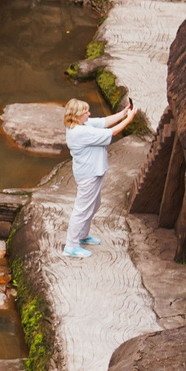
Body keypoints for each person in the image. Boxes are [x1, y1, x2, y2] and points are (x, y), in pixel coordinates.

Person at [61, 96, 140, 258]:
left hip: (94, 172)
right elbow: (113, 131)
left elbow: (104, 121)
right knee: (82, 209)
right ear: (77, 115)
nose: (89, 114)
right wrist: (130, 119)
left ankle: (82, 236)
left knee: (95, 205)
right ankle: (71, 245)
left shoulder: (82, 124)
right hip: (88, 175)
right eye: (86, 112)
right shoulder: (80, 132)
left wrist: (124, 113)